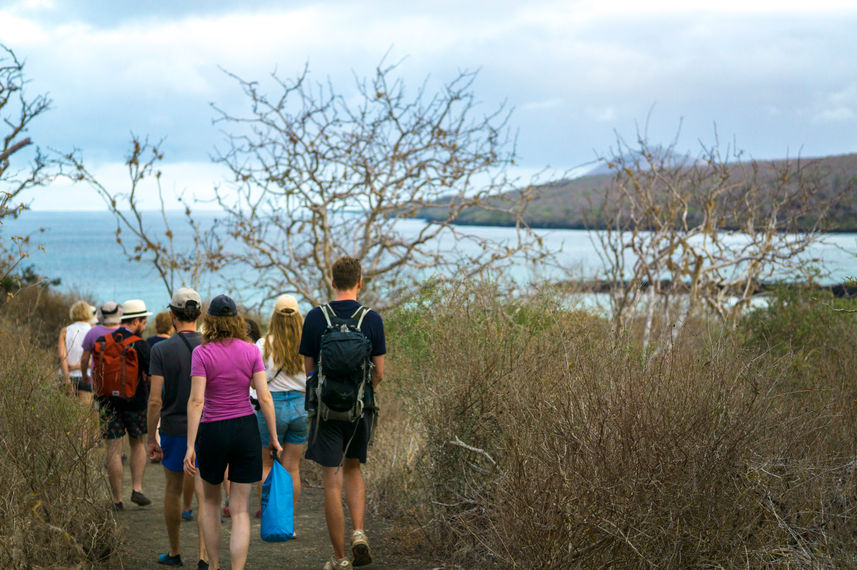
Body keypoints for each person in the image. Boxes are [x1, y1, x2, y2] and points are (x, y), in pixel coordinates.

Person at [184, 294, 282, 570]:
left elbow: (197, 401)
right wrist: (273, 438)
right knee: (240, 510)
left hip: (212, 430)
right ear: (236, 320)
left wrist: (190, 446)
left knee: (211, 504)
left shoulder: (201, 353)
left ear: (210, 321)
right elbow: (264, 397)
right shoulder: (251, 351)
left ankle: (214, 565)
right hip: (244, 429)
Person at [299, 256, 385, 570]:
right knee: (353, 470)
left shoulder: (315, 317)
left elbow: (309, 369)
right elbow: (379, 372)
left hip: (325, 412)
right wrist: (359, 391)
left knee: (331, 481)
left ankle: (340, 559)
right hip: (360, 409)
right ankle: (358, 533)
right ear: (360, 282)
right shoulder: (372, 319)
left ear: (333, 282)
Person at [147, 288, 209, 567]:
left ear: (172, 314)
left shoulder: (160, 350)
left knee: (172, 489)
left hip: (173, 428)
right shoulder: (210, 346)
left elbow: (154, 400)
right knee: (205, 493)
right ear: (199, 315)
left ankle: (174, 552)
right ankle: (204, 556)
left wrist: (151, 437)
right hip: (206, 427)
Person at [82, 299, 153, 510]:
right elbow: (150, 376)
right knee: (137, 443)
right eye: (144, 321)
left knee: (113, 449)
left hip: (106, 401)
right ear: (137, 321)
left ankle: (117, 500)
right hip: (135, 402)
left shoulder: (103, 340)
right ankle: (137, 489)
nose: (145, 326)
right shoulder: (140, 344)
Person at [255, 294, 308, 519]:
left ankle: (270, 519)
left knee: (266, 465)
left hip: (271, 407)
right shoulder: (308, 344)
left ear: (274, 317)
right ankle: (288, 522)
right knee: (292, 467)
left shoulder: (263, 345)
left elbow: (254, 381)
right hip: (301, 406)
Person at [58, 300, 94, 404]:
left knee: (65, 412)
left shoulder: (65, 331)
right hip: (86, 377)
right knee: (84, 412)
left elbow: (62, 356)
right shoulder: (93, 331)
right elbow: (95, 360)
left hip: (67, 376)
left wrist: (67, 380)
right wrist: (77, 366)